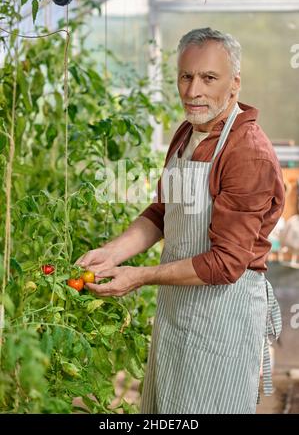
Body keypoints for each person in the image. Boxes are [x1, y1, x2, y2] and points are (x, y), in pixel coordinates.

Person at [76, 28, 285, 414]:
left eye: (209, 78)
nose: (192, 91)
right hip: (177, 309)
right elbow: (162, 213)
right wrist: (110, 254)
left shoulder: (246, 153)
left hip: (222, 318)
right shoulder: (188, 132)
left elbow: (226, 264)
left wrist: (139, 276)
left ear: (235, 84)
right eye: (186, 77)